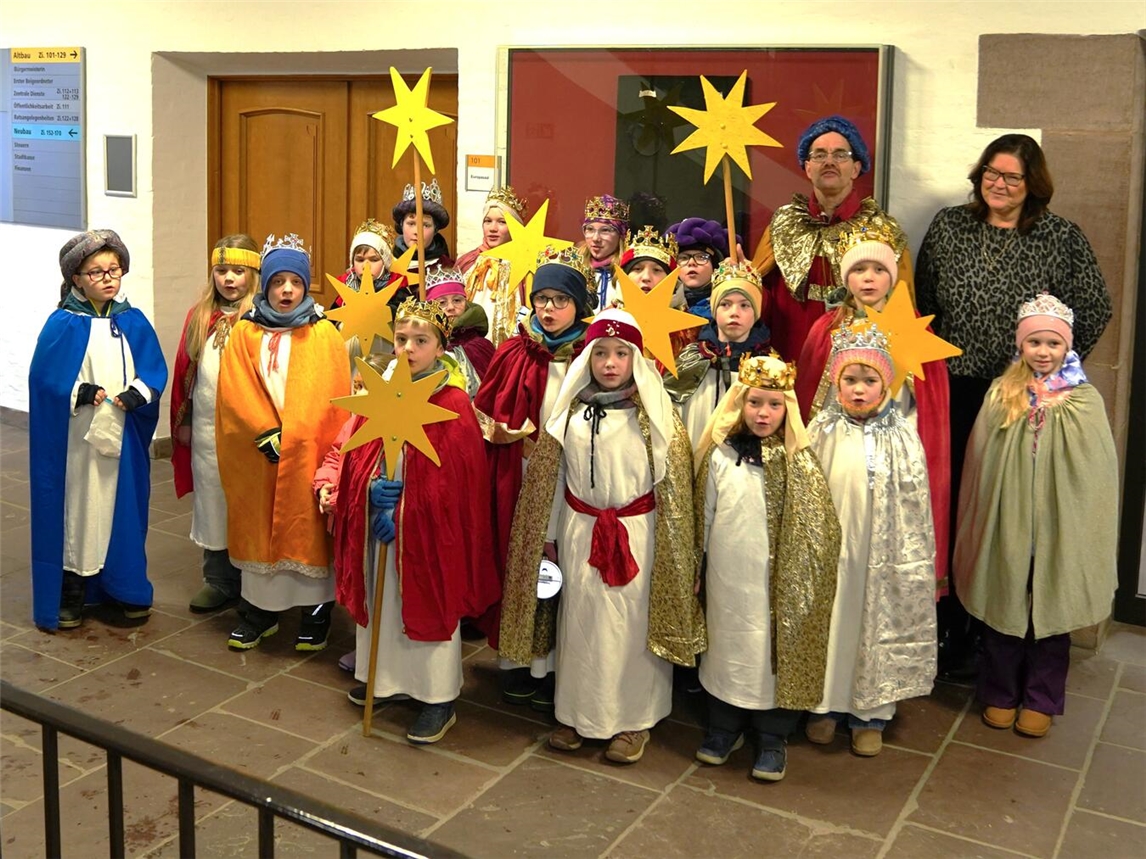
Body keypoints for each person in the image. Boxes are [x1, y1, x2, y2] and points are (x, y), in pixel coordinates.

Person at [914, 134, 1113, 676]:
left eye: (1012, 177)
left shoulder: (1060, 236)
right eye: (991, 173)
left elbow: (1095, 307)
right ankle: (952, 624)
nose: (998, 184)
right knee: (957, 506)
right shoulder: (949, 227)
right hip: (955, 389)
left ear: (1033, 184)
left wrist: (1049, 372)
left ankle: (997, 630)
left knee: (1006, 513)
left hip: (1019, 397)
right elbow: (925, 303)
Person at [497, 309, 705, 764]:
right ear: (588, 357)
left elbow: (674, 492)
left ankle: (634, 719)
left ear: (636, 359)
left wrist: (676, 553)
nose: (611, 363)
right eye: (601, 353)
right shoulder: (570, 415)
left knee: (630, 625)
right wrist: (549, 537)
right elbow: (552, 481)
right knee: (581, 621)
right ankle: (577, 713)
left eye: (621, 354)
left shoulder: (657, 418)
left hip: (637, 534)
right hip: (580, 531)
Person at [323, 298, 500, 743]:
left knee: (427, 598)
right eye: (401, 339)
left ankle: (436, 697)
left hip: (427, 535)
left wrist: (403, 511)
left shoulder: (452, 402)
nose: (408, 349)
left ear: (441, 347)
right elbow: (356, 459)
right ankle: (384, 681)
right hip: (379, 532)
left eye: (421, 341)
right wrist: (369, 495)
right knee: (383, 600)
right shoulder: (379, 393)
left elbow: (458, 486)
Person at [954, 295, 1117, 739]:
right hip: (1008, 521)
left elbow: (1096, 471)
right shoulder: (1002, 392)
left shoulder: (1083, 399)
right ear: (1020, 344)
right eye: (1034, 342)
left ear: (1067, 346)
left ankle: (1042, 698)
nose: (1044, 352)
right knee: (1004, 601)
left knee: (1051, 613)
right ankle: (1000, 692)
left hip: (1059, 525)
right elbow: (981, 459)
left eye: (1053, 343)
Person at [693, 354, 840, 781]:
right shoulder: (721, 454)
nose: (763, 413)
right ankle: (724, 727)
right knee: (727, 647)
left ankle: (773, 736)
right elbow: (703, 513)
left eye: (774, 404)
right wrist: (698, 562)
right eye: (755, 402)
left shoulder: (799, 460)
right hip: (727, 579)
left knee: (770, 653)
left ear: (787, 408)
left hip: (777, 584)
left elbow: (819, 527)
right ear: (740, 403)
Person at [794, 224, 951, 596]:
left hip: (892, 456)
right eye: (859, 269)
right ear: (845, 277)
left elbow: (926, 409)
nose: (869, 278)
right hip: (838, 453)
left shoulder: (915, 333)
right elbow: (811, 399)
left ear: (892, 277)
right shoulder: (825, 330)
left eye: (879, 270)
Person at [805, 324, 937, 757]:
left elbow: (913, 506)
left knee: (871, 623)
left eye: (869, 380)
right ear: (836, 381)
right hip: (832, 553)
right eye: (850, 379)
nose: (859, 390)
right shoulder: (820, 430)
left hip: (879, 556)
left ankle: (870, 713)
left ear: (886, 384)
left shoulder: (902, 437)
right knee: (833, 621)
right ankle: (824, 705)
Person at [215, 234, 350, 651]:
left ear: (306, 285)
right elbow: (234, 388)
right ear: (267, 285)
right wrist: (263, 429)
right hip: (259, 453)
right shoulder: (245, 332)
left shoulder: (325, 335)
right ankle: (259, 611)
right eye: (278, 282)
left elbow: (333, 398)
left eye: (295, 282)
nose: (286, 290)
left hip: (308, 453)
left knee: (307, 526)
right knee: (259, 527)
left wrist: (300, 435)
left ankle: (316, 611)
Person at [473, 245, 593, 709]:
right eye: (542, 299)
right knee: (523, 564)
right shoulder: (515, 351)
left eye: (560, 300)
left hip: (573, 481)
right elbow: (486, 412)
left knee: (567, 565)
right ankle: (519, 661)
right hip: (521, 477)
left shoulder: (591, 355)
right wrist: (506, 432)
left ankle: (559, 664)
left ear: (578, 304)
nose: (548, 309)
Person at [29, 229, 168, 630]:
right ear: (76, 278)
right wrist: (80, 391)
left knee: (123, 507)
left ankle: (125, 587)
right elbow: (45, 381)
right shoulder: (63, 324)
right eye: (96, 272)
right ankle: (73, 588)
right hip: (78, 439)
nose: (108, 278)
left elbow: (154, 369)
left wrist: (139, 393)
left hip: (122, 434)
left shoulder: (133, 321)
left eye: (114, 270)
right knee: (80, 508)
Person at [751, 115, 912, 362]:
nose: (829, 162)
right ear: (808, 167)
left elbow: (902, 310)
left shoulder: (883, 231)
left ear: (856, 168)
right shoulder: (783, 224)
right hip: (787, 362)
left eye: (840, 155)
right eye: (819, 155)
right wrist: (742, 282)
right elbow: (763, 300)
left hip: (855, 367)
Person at [171, 235, 260, 613]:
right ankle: (219, 579)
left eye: (238, 271)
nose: (229, 279)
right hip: (207, 429)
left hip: (248, 431)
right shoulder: (201, 316)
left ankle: (255, 583)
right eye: (222, 270)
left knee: (246, 502)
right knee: (212, 499)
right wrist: (187, 418)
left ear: (253, 274)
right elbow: (186, 372)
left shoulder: (261, 319)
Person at [664, 260, 771, 449]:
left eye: (745, 305)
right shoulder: (692, 359)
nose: (734, 313)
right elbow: (671, 417)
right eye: (725, 304)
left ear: (756, 312)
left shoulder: (768, 367)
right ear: (714, 309)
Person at [457, 186, 529, 346]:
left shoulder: (525, 266)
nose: (493, 228)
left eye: (502, 222)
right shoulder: (468, 263)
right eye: (487, 221)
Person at [425, 265, 495, 398]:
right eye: (442, 303)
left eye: (457, 300)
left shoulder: (481, 347)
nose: (451, 307)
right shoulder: (420, 344)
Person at [391, 178, 452, 307]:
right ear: (401, 225)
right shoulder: (384, 264)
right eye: (411, 223)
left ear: (435, 230)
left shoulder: (447, 268)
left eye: (425, 225)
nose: (417, 231)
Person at [666, 218, 729, 324]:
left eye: (701, 257)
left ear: (715, 267)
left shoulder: (729, 305)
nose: (691, 263)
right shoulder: (661, 305)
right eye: (684, 258)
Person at [580, 194, 629, 309]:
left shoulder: (629, 272)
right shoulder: (575, 267)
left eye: (605, 230)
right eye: (590, 229)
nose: (595, 238)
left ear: (621, 235)